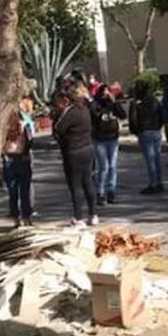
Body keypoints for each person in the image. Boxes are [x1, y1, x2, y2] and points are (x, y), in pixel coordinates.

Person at [53, 86, 98, 228]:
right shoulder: (85, 110)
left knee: (75, 185)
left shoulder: (70, 112)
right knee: (88, 182)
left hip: (73, 150)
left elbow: (58, 129)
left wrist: (58, 115)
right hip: (87, 148)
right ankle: (93, 214)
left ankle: (79, 217)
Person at [90, 83, 126, 206]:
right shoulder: (95, 104)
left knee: (113, 166)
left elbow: (122, 115)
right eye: (104, 92)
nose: (106, 95)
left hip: (113, 138)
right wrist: (103, 105)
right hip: (100, 139)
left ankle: (111, 191)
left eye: (108, 92)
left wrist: (114, 102)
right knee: (103, 167)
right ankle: (100, 193)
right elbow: (95, 115)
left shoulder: (112, 104)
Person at [129, 80, 165, 195]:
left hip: (145, 132)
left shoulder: (137, 102)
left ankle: (153, 184)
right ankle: (159, 182)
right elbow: (162, 115)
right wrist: (158, 126)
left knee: (150, 160)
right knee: (157, 159)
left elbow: (133, 119)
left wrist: (136, 131)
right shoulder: (155, 100)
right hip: (156, 131)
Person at [3, 101, 35, 228]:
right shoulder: (23, 126)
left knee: (12, 191)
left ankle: (15, 217)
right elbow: (30, 141)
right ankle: (26, 217)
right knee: (24, 191)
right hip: (22, 158)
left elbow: (1, 146)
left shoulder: (3, 128)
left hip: (8, 158)